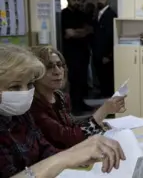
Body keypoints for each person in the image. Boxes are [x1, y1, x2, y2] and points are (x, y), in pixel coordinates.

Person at [0, 44, 125, 178]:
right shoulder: (34, 109)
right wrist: (67, 157)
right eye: (15, 87)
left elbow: (46, 150)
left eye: (29, 84)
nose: (24, 92)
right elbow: (68, 138)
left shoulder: (22, 114)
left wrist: (80, 154)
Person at [29, 46, 126, 150]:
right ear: (34, 73)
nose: (57, 71)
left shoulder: (60, 96)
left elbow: (72, 126)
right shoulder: (33, 106)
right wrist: (103, 111)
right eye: (49, 67)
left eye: (59, 65)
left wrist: (101, 119)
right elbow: (69, 138)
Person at [61, 0, 93, 114]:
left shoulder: (81, 14)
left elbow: (89, 30)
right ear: (68, 0)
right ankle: (75, 107)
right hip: (71, 53)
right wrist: (80, 32)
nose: (76, 2)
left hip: (83, 52)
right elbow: (69, 33)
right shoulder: (65, 14)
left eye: (77, 0)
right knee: (74, 80)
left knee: (83, 80)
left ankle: (82, 103)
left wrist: (77, 32)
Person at [92, 0, 117, 97]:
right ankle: (103, 97)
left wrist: (108, 55)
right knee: (101, 77)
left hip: (105, 55)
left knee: (107, 78)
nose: (99, 1)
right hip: (97, 52)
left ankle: (108, 101)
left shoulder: (110, 14)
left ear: (108, 0)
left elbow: (111, 36)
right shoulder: (98, 13)